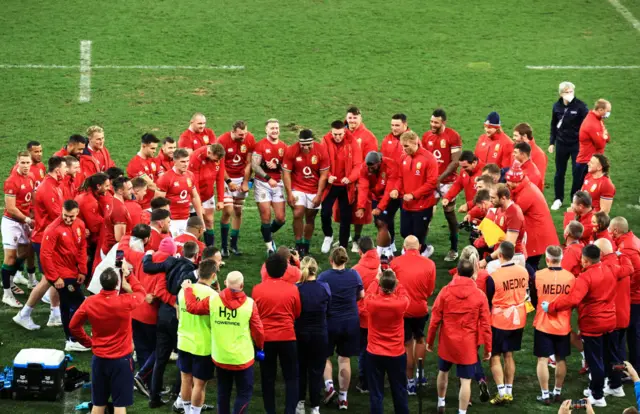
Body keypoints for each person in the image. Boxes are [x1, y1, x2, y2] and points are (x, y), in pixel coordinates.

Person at [544, 245, 617, 407]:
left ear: (585, 260)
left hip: (593, 324)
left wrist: (551, 307)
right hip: (610, 320)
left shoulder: (586, 277)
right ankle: (602, 387)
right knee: (605, 357)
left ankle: (598, 396)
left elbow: (572, 300)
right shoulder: (610, 269)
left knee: (594, 361)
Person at [182, 271, 265, 414]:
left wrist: (188, 290)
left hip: (221, 357)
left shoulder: (213, 301)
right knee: (243, 393)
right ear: (242, 285)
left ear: (226, 283)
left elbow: (192, 307)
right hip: (242, 358)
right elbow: (258, 331)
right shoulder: (250, 304)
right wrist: (259, 347)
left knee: (223, 393)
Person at [69, 267, 145, 414]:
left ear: (101, 283)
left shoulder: (90, 302)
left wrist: (88, 342)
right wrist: (130, 276)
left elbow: (73, 326)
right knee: (119, 406)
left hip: (100, 359)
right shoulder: (125, 301)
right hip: (121, 361)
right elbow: (141, 293)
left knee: (98, 404)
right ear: (117, 284)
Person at [427, 259, 492, 414]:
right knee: (466, 381)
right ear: (472, 274)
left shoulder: (445, 291)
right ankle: (462, 412)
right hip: (468, 344)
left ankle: (441, 403)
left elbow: (435, 319)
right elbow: (486, 325)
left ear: (457, 271)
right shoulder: (479, 295)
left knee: (443, 372)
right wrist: (488, 349)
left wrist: (430, 341)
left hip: (448, 341)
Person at [143, 240, 200, 408]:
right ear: (196, 256)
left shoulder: (171, 262)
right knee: (183, 358)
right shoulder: (192, 272)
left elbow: (148, 267)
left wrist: (147, 255)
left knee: (160, 358)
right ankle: (178, 395)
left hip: (163, 315)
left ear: (181, 252)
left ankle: (154, 398)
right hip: (178, 318)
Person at [14, 156, 65, 329]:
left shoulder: (53, 185)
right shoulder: (49, 188)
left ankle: (55, 313)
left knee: (52, 278)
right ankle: (24, 313)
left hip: (47, 238)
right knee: (50, 279)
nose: (66, 171)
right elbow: (58, 217)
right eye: (65, 168)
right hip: (45, 239)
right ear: (58, 170)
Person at [252, 254, 301, 414]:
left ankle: (270, 411)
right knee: (291, 377)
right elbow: (297, 312)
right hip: (287, 338)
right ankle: (289, 411)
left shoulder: (257, 289)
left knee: (268, 377)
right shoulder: (292, 289)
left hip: (266, 340)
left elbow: (255, 315)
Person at [40, 200, 89, 352]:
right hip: (61, 273)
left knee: (73, 304)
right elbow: (45, 255)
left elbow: (81, 247)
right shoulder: (53, 229)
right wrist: (55, 278)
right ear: (61, 211)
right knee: (76, 304)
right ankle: (72, 339)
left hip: (73, 271)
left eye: (71, 217)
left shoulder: (79, 224)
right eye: (65, 216)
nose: (68, 219)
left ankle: (73, 337)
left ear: (77, 214)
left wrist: (82, 269)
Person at [318, 247, 364, 409]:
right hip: (350, 322)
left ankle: (329, 387)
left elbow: (320, 297)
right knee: (344, 359)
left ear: (331, 260)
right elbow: (361, 295)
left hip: (330, 322)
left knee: (325, 356)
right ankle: (343, 398)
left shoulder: (324, 277)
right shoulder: (354, 275)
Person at [390, 235, 436, 394]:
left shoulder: (395, 263)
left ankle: (410, 382)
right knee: (420, 339)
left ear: (404, 247)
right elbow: (430, 290)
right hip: (420, 309)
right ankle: (420, 374)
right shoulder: (429, 264)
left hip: (403, 309)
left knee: (407, 344)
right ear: (419, 247)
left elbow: (391, 288)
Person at [485, 241, 529, 405]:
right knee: (509, 354)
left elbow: (488, 300)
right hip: (518, 319)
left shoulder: (494, 276)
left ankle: (502, 392)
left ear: (500, 255)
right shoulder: (524, 271)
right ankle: (509, 392)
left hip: (499, 321)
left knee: (495, 355)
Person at [530, 246, 575, 405]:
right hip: (563, 325)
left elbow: (534, 300)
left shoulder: (537, 275)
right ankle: (557, 392)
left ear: (547, 259)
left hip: (543, 324)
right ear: (561, 258)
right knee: (560, 358)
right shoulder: (571, 277)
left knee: (542, 359)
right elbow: (572, 301)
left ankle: (545, 394)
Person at [365, 269, 411, 414]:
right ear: (394, 286)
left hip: (374, 353)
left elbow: (368, 293)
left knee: (376, 393)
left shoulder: (372, 302)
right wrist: (397, 281)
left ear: (380, 285)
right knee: (399, 391)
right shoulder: (401, 303)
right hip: (396, 353)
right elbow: (404, 293)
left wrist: (375, 279)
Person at [176, 260, 219, 414]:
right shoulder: (213, 296)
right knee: (199, 384)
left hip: (183, 341)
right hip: (203, 345)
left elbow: (179, 315)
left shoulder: (184, 290)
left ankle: (187, 410)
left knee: (185, 379)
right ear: (213, 275)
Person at [422, 108, 463, 262]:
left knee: (449, 214)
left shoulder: (453, 136)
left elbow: (455, 161)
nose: (433, 125)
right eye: (431, 121)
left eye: (436, 123)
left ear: (443, 122)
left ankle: (454, 248)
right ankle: (423, 248)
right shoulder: (426, 136)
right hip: (432, 182)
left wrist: (440, 177)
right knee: (425, 214)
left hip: (449, 182)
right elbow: (424, 158)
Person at [282, 129, 330, 256]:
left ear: (312, 142)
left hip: (314, 189)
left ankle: (306, 245)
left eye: (308, 144)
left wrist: (319, 195)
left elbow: (324, 175)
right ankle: (298, 245)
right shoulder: (291, 150)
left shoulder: (321, 151)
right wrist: (289, 193)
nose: (305, 147)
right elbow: (286, 173)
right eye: (303, 144)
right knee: (298, 213)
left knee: (310, 217)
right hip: (297, 187)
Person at [595, 238, 633, 398]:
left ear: (601, 253)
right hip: (623, 315)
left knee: (609, 353)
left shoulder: (606, 267)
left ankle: (614, 385)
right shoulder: (623, 263)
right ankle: (615, 384)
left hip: (612, 318)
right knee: (618, 352)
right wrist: (621, 255)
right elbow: (629, 268)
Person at [506, 164, 559, 270]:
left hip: (536, 235)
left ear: (516, 181)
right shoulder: (524, 188)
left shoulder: (526, 194)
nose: (508, 184)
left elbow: (512, 213)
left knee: (530, 265)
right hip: (537, 231)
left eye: (509, 181)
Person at [295, 256, 331, 414]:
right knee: (316, 371)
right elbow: (328, 310)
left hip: (300, 334)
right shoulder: (325, 288)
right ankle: (315, 406)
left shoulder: (296, 288)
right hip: (319, 334)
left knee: (301, 369)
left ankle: (300, 403)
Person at [320, 120, 362, 253]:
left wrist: (350, 179)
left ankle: (343, 244)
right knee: (325, 212)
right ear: (331, 132)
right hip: (331, 185)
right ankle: (328, 235)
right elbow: (322, 161)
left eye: (339, 134)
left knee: (346, 216)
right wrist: (329, 175)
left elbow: (358, 164)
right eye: (335, 134)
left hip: (346, 185)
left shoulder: (353, 142)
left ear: (344, 131)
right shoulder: (325, 141)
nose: (337, 137)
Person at [395, 130, 438, 257]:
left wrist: (414, 195)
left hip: (422, 204)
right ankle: (414, 252)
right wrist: (396, 189)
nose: (404, 149)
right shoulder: (404, 157)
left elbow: (431, 183)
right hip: (407, 204)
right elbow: (400, 178)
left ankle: (423, 251)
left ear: (415, 143)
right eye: (402, 146)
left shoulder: (429, 159)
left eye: (406, 146)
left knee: (418, 234)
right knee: (405, 232)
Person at [218, 120, 256, 256]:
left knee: (238, 211)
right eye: (240, 135)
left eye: (245, 133)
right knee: (228, 210)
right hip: (226, 178)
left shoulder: (250, 138)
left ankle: (233, 245)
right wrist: (229, 182)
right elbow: (220, 165)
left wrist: (246, 182)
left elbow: (249, 162)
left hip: (241, 178)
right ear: (233, 132)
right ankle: (223, 246)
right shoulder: (222, 140)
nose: (243, 137)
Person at [549, 81, 589, 211]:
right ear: (561, 94)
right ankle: (558, 198)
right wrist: (551, 142)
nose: (569, 94)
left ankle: (575, 199)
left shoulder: (581, 107)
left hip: (576, 144)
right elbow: (553, 125)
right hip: (561, 143)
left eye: (571, 91)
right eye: (566, 92)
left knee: (576, 172)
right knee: (559, 172)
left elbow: (587, 125)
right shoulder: (556, 106)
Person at [2, 152, 35, 308]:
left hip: (24, 222)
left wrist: (33, 217)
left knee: (25, 253)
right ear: (17, 162)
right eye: (23, 163)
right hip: (12, 223)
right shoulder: (11, 181)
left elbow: (31, 201)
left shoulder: (31, 178)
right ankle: (7, 294)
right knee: (9, 257)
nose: (26, 166)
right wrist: (28, 219)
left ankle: (9, 279)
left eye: (28, 163)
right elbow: (10, 207)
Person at [251, 119, 288, 255]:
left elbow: (287, 166)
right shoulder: (260, 145)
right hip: (262, 183)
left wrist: (278, 167)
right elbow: (254, 165)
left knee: (281, 218)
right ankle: (270, 247)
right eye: (272, 128)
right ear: (266, 130)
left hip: (278, 184)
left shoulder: (283, 147)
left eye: (277, 128)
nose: (275, 130)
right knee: (265, 215)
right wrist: (268, 177)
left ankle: (267, 232)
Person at [344, 106, 378, 252]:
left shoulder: (368, 137)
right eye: (350, 118)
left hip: (360, 179)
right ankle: (344, 236)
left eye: (355, 118)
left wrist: (360, 178)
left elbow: (370, 161)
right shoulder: (342, 133)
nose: (352, 121)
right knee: (343, 209)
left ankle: (357, 237)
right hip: (344, 179)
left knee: (359, 209)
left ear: (360, 118)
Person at [609, 217, 640, 373]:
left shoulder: (627, 248)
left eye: (610, 229)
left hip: (635, 297)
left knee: (633, 333)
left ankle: (634, 369)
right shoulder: (631, 240)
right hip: (636, 295)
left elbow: (638, 272)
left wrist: (628, 289)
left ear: (615, 230)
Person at [356, 152, 400, 258]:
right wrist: (361, 206)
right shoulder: (364, 168)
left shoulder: (391, 166)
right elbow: (363, 187)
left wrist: (380, 207)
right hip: (376, 196)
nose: (370, 169)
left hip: (391, 196)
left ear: (379, 162)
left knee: (382, 222)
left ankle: (381, 252)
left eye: (373, 167)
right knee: (381, 222)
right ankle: (389, 247)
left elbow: (389, 190)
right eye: (368, 167)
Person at [352, 236, 380, 393]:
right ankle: (377, 378)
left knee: (364, 349)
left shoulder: (356, 270)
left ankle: (364, 382)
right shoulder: (384, 267)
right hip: (381, 315)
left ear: (360, 252)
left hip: (363, 317)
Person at [155, 148, 204, 237]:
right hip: (172, 221)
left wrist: (201, 219)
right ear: (174, 161)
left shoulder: (190, 175)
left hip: (186, 219)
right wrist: (164, 223)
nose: (186, 164)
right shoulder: (166, 178)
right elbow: (157, 204)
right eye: (182, 162)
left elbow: (194, 197)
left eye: (187, 161)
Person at [479, 185, 527, 273]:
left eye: (493, 197)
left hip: (513, 257)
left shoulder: (514, 213)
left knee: (490, 273)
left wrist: (486, 260)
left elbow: (508, 246)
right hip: (500, 255)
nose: (490, 200)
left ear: (503, 198)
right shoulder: (500, 209)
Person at [188, 143, 226, 247]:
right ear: (209, 153)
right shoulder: (196, 157)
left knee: (209, 221)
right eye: (214, 160)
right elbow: (194, 184)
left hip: (208, 194)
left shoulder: (219, 156)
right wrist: (199, 204)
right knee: (196, 225)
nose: (216, 162)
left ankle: (210, 251)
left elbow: (220, 177)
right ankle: (195, 251)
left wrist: (221, 199)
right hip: (194, 196)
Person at [574, 99, 612, 197]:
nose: (609, 113)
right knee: (580, 191)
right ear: (600, 110)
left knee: (592, 190)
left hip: (593, 160)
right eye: (607, 111)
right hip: (586, 162)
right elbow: (601, 144)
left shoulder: (598, 119)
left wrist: (604, 136)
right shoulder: (592, 123)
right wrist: (603, 136)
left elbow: (607, 138)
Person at [96, 176, 133, 263]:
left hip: (108, 248)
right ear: (120, 191)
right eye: (129, 189)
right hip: (113, 252)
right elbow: (120, 240)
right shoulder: (119, 209)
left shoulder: (113, 201)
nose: (132, 191)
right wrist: (119, 262)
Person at [442, 150, 485, 219]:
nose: (463, 169)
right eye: (462, 167)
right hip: (471, 211)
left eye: (465, 167)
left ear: (474, 163)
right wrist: (448, 197)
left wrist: (468, 205)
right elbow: (458, 184)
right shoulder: (464, 171)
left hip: (484, 212)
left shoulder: (484, 173)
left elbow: (486, 196)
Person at [126, 133, 160, 210]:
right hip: (142, 206)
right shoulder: (136, 163)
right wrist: (168, 190)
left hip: (152, 203)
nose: (155, 151)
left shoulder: (152, 159)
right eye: (152, 148)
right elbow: (150, 185)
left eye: (155, 148)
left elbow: (163, 176)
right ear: (143, 146)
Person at [512, 123, 547, 188]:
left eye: (516, 136)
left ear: (525, 136)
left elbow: (539, 180)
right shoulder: (516, 148)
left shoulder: (539, 154)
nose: (513, 138)